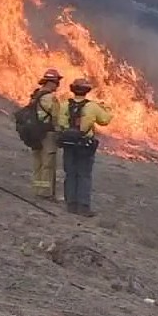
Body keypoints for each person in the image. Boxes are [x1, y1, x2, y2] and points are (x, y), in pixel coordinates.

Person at [55, 78, 112, 216]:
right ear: (87, 91)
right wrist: (106, 108)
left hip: (68, 144)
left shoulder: (64, 105)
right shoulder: (92, 106)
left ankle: (71, 205)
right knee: (84, 175)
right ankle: (83, 206)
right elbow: (105, 120)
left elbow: (60, 123)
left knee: (70, 173)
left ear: (73, 89)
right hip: (85, 145)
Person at [28, 69, 63, 199]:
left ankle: (37, 190)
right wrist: (60, 132)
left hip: (34, 133)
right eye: (57, 82)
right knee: (48, 164)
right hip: (48, 134)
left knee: (37, 162)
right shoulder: (50, 98)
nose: (58, 85)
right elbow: (56, 117)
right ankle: (46, 192)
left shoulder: (35, 95)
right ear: (51, 82)